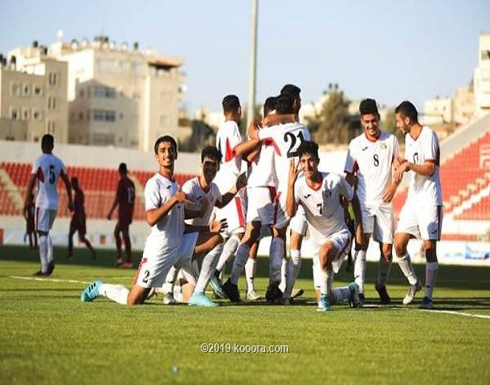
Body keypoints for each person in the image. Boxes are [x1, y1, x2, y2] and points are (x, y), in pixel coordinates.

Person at [80, 136, 225, 306]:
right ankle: (101, 288)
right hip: (160, 250)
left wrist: (207, 229)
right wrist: (172, 201)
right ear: (156, 157)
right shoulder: (154, 184)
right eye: (162, 151)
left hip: (180, 246)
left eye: (171, 150)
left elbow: (179, 225)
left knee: (217, 239)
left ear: (176, 154)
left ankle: (197, 294)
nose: (167, 154)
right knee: (133, 301)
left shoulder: (176, 186)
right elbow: (150, 219)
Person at [160, 146, 247, 307]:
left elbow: (220, 202)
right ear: (201, 165)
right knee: (218, 240)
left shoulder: (213, 189)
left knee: (188, 299)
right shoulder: (191, 187)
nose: (210, 168)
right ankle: (168, 290)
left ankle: (169, 289)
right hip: (181, 239)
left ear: (218, 167)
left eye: (214, 165)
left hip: (195, 242)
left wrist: (237, 186)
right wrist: (200, 213)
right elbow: (179, 214)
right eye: (207, 163)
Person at [286, 140, 364, 311]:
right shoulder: (298, 186)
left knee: (324, 253)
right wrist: (290, 185)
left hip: (339, 235)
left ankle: (324, 303)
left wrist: (359, 227)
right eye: (304, 161)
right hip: (317, 243)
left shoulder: (334, 180)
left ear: (318, 161)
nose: (307, 165)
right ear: (299, 163)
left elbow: (353, 199)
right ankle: (350, 291)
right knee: (324, 293)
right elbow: (290, 212)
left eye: (311, 160)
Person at [344, 98, 401, 305]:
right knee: (362, 243)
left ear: (378, 118)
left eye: (373, 121)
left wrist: (393, 187)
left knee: (387, 250)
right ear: (362, 121)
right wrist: (346, 202)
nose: (370, 125)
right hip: (363, 202)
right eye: (366, 122)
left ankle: (380, 284)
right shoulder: (355, 145)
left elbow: (397, 168)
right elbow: (349, 177)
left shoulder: (391, 140)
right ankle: (359, 289)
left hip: (384, 203)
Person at [393, 101, 443, 309]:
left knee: (429, 247)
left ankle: (428, 297)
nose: (397, 125)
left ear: (407, 119)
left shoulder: (428, 135)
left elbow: (430, 169)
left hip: (430, 199)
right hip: (413, 199)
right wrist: (402, 161)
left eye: (398, 121)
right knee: (398, 244)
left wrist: (409, 165)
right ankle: (414, 282)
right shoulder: (408, 138)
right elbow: (413, 162)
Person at [24, 134, 73, 276]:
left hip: (42, 201)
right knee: (45, 232)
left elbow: (32, 180)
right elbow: (67, 183)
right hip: (54, 203)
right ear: (52, 145)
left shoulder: (39, 160)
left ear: (41, 145)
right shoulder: (59, 162)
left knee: (41, 233)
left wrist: (27, 199)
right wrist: (70, 201)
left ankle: (44, 268)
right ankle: (50, 260)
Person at [107, 163, 135, 268]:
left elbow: (118, 198)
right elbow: (132, 200)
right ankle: (121, 258)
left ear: (119, 171)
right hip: (128, 212)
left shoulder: (122, 182)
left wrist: (110, 212)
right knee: (119, 233)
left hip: (123, 213)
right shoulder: (131, 183)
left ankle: (128, 260)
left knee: (123, 234)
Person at [67, 177, 96, 260]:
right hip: (79, 216)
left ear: (76, 183)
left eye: (72, 184)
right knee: (76, 236)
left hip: (79, 217)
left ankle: (71, 254)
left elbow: (79, 207)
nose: (72, 185)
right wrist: (72, 208)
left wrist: (80, 220)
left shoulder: (79, 193)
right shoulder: (77, 193)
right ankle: (71, 253)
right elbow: (77, 207)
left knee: (78, 237)